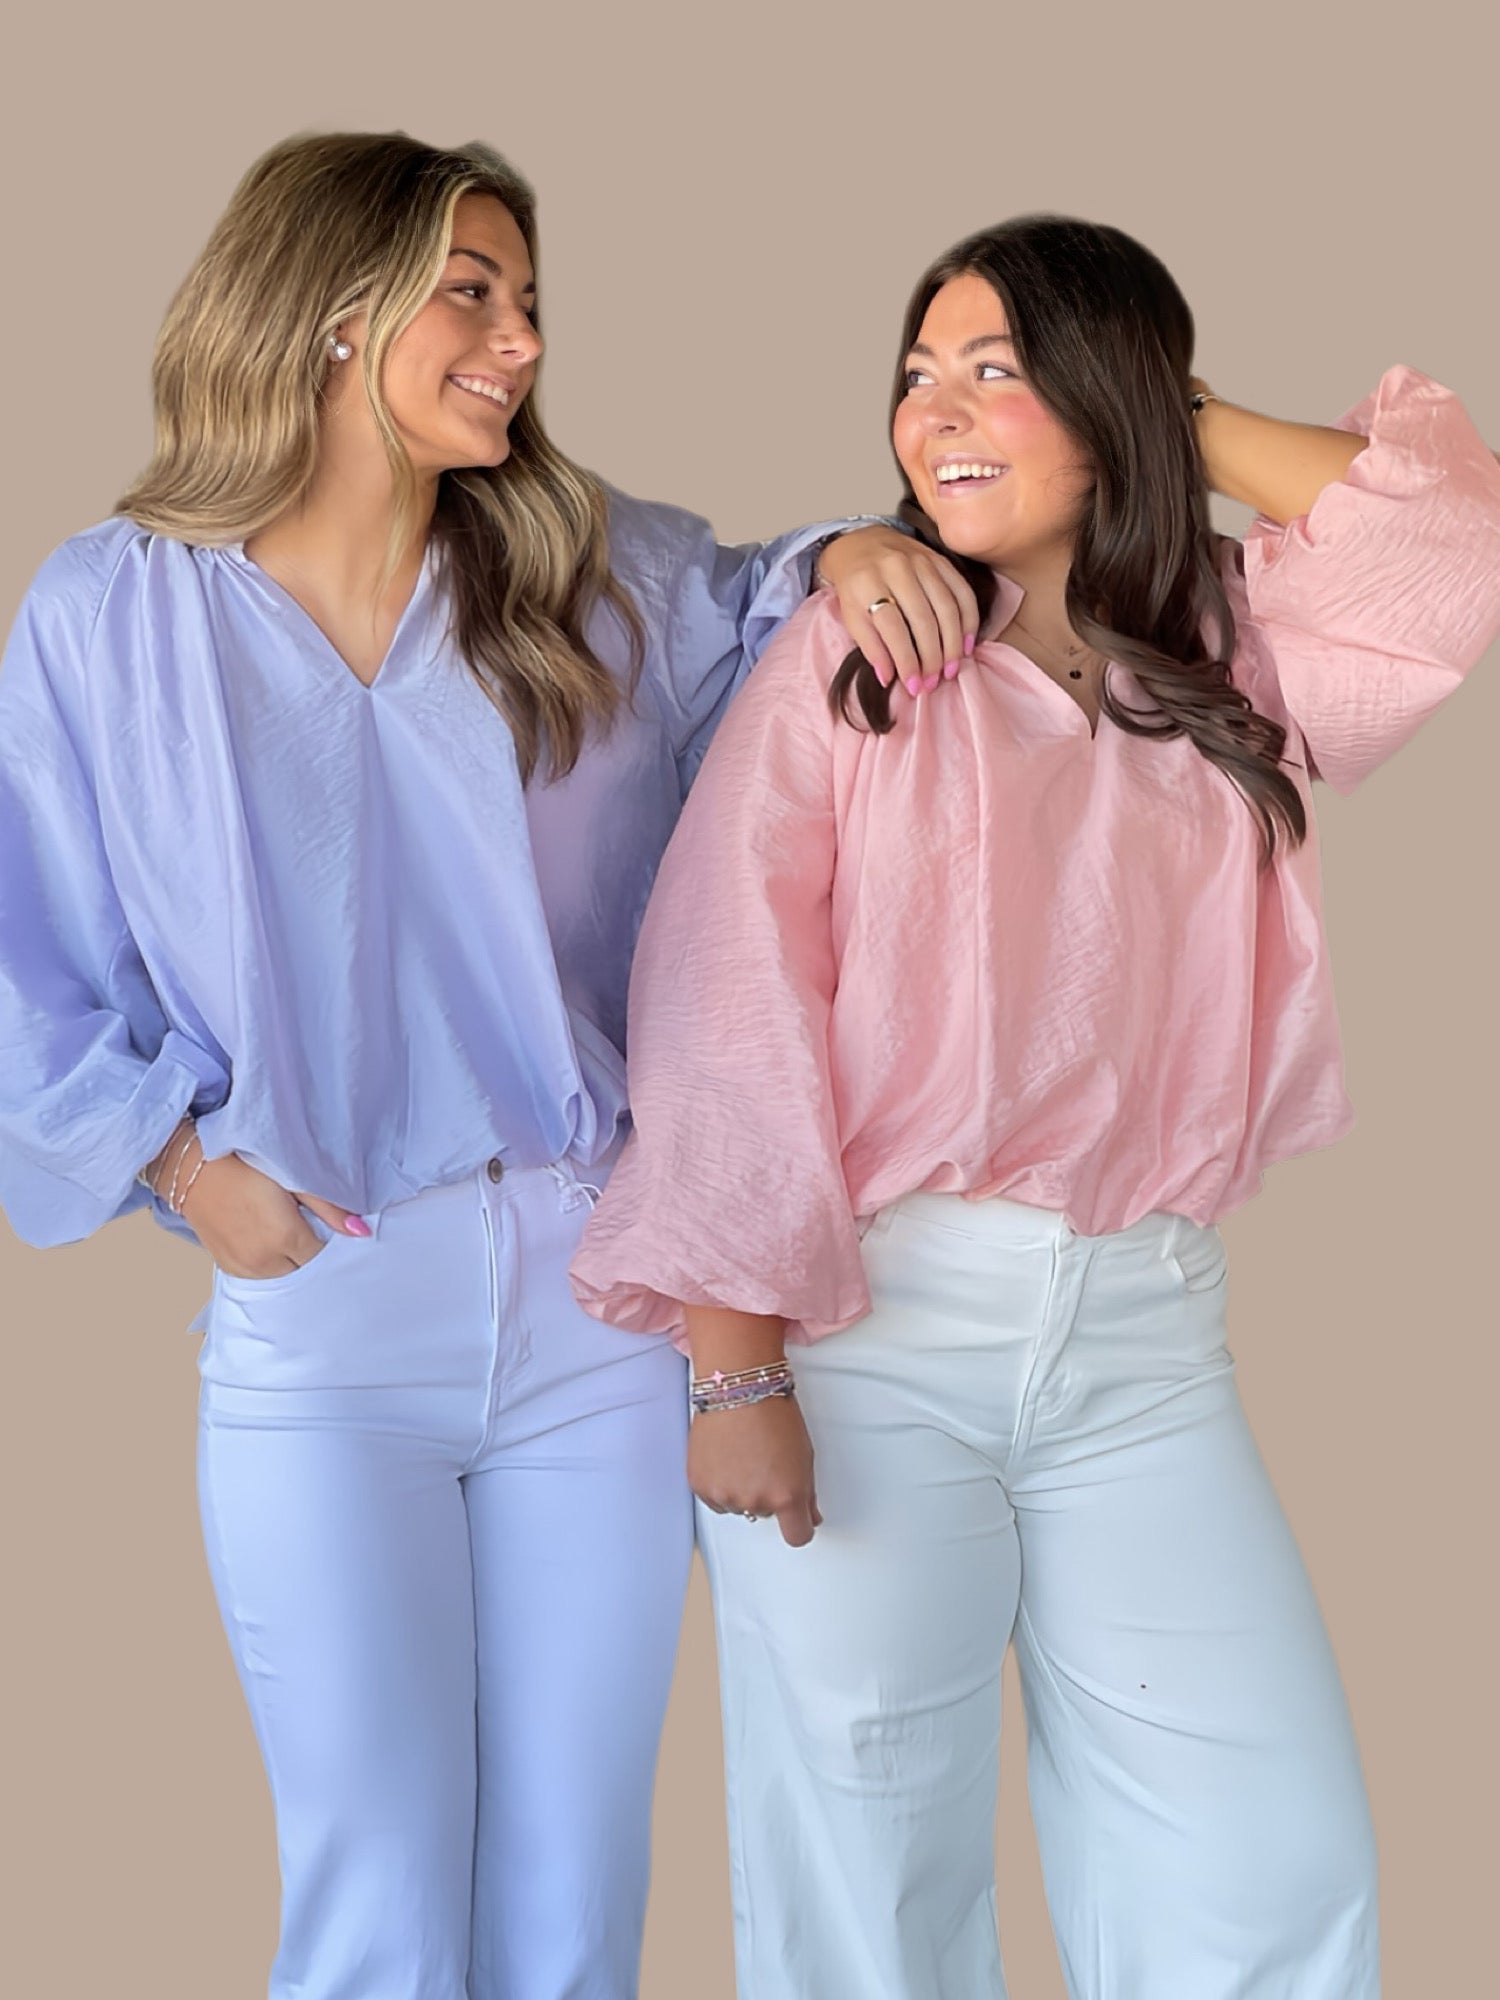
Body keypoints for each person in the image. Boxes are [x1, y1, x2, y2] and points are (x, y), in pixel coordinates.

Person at [0, 131, 976, 2000]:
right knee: (373, 1890)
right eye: (474, 293)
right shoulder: (113, 613)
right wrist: (184, 1170)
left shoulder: (586, 576)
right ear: (328, 310)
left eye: (529, 300)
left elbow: (774, 613)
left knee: (571, 1894)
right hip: (328, 1305)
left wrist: (855, 550)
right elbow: (22, 957)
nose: (521, 340)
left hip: (595, 1305)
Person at [571, 213, 1500, 1998]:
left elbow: (1447, 538)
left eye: (996, 371)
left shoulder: (1226, 653)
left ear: (1108, 395)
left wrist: (1171, 407)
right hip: (868, 1334)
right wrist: (735, 1367)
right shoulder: (856, 659)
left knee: (1268, 1857)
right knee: (869, 1876)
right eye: (917, 375)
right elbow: (725, 1007)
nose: (935, 414)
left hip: (1146, 1340)